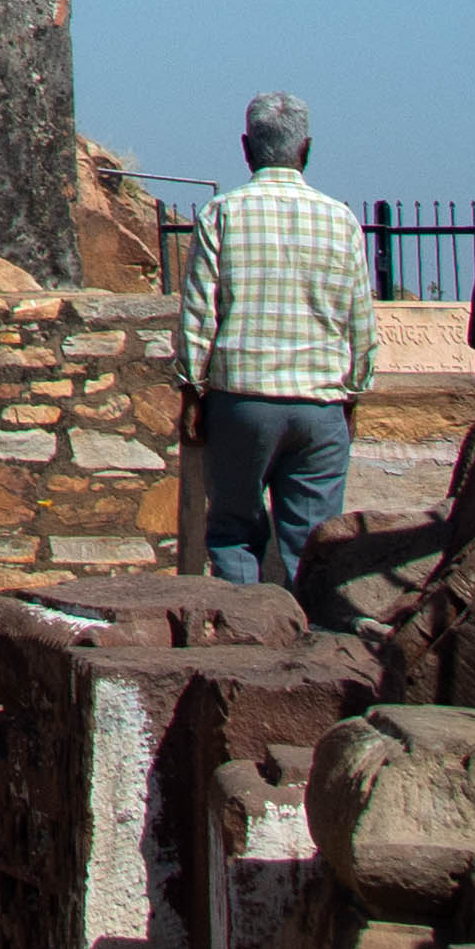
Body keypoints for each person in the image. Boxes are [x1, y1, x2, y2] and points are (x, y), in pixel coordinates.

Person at [177, 89, 377, 585]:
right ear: (306, 149)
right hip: (319, 403)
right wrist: (353, 393)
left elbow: (200, 315)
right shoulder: (341, 221)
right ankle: (309, 641)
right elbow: (361, 323)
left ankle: (242, 639)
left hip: (242, 399)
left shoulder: (221, 214)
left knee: (232, 532)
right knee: (312, 544)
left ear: (246, 148)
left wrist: (190, 391)